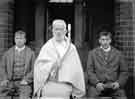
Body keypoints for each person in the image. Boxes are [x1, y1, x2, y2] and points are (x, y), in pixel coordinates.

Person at [34, 19, 85, 99]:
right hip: (49, 82)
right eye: (56, 29)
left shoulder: (71, 48)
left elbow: (76, 69)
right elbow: (39, 66)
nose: (58, 32)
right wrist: (52, 65)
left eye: (61, 29)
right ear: (52, 31)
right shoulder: (47, 47)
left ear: (65, 31)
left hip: (66, 83)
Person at [86, 31, 128, 99]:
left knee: (122, 96)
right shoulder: (92, 53)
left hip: (114, 85)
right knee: (91, 96)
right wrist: (96, 83)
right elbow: (89, 71)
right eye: (103, 40)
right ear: (99, 41)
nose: (105, 42)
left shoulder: (118, 54)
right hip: (97, 86)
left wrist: (118, 83)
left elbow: (124, 71)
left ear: (110, 40)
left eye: (107, 39)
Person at [0, 30, 35, 99]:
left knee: (24, 96)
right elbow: (2, 67)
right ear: (14, 40)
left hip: (23, 82)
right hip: (10, 81)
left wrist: (27, 79)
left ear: (25, 40)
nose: (19, 40)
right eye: (17, 38)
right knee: (2, 94)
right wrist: (4, 79)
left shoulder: (31, 53)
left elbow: (34, 69)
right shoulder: (8, 53)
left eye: (21, 38)